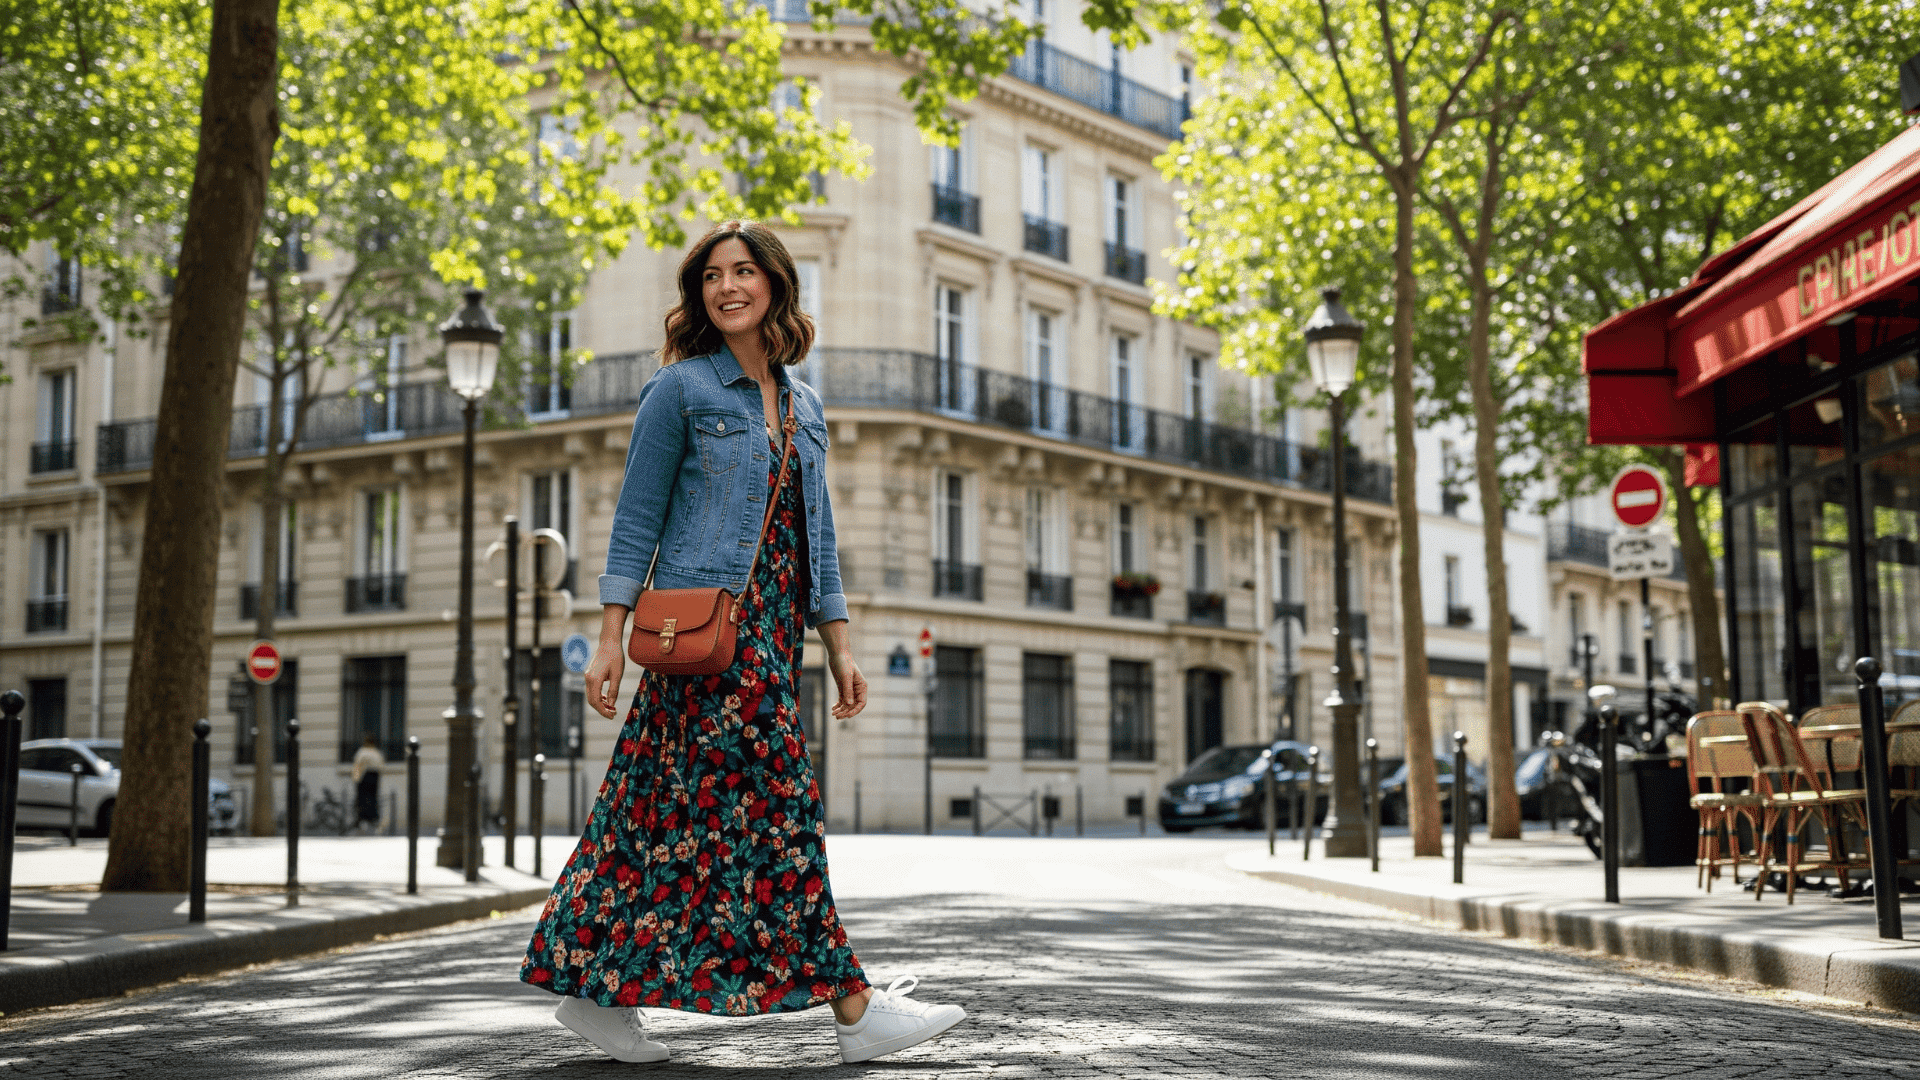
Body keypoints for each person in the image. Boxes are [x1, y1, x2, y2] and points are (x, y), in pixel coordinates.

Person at [520, 220, 966, 1064]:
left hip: (771, 637)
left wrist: (839, 646)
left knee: (652, 817)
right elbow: (636, 519)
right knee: (780, 809)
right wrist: (610, 636)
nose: (728, 287)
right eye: (712, 276)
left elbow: (817, 539)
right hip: (706, 637)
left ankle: (595, 996)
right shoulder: (680, 390)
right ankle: (854, 1008)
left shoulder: (805, 406)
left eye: (744, 271)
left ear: (775, 284)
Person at [349, 735, 383, 835]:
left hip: (364, 777)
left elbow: (357, 764)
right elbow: (381, 766)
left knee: (362, 800)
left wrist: (355, 778)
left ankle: (362, 823)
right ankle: (373, 821)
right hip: (375, 777)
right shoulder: (377, 753)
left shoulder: (362, 752)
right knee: (373, 799)